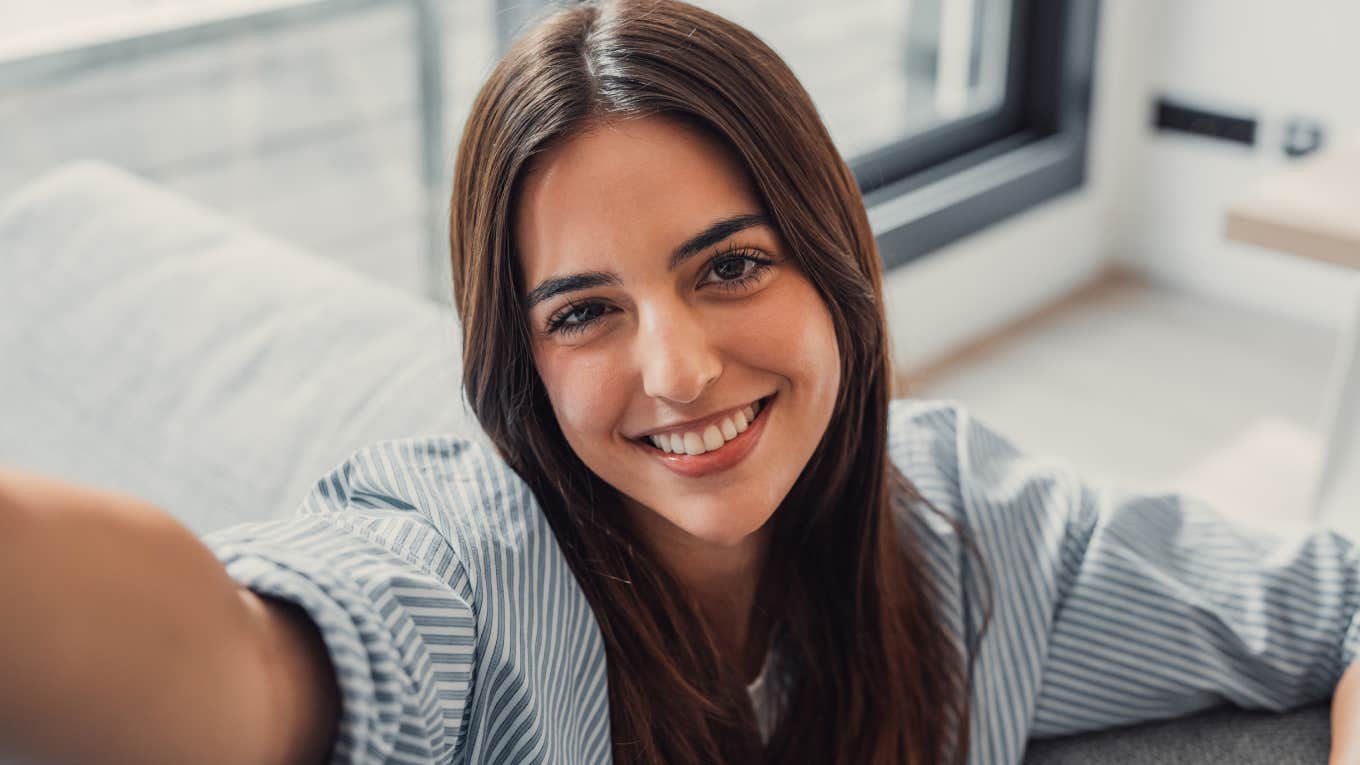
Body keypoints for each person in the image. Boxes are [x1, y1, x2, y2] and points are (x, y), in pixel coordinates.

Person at [3, 0, 1360, 764]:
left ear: (832, 263)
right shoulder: (468, 576)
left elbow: (1334, 606)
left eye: (729, 267)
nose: (677, 368)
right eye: (585, 310)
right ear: (519, 361)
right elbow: (242, 663)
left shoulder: (985, 528)